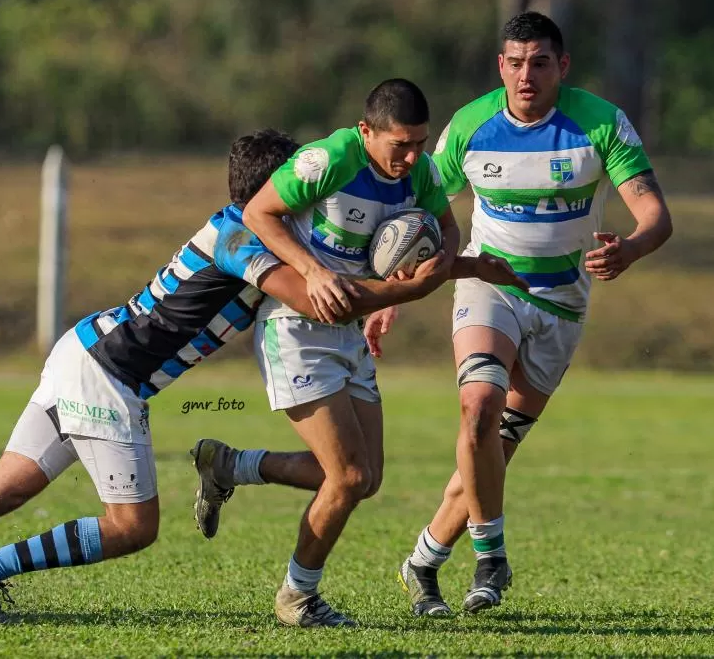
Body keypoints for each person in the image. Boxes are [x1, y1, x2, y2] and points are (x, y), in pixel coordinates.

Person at [0, 129, 457, 625]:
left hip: (88, 354)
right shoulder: (242, 240)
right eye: (297, 187)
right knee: (132, 526)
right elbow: (317, 300)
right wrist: (415, 283)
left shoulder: (255, 233)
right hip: (108, 376)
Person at [365, 12, 673, 616]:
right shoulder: (472, 127)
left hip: (562, 302)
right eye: (513, 61)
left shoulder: (601, 122)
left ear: (562, 66)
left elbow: (655, 216)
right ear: (499, 65)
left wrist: (630, 248)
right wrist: (389, 291)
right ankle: (492, 558)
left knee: (489, 454)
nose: (524, 74)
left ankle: (423, 562)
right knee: (477, 408)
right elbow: (417, 209)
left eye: (538, 62)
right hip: (490, 285)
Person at [191, 78, 528, 629]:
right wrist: (312, 270)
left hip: (347, 333)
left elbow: (447, 229)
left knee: (365, 478)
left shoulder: (417, 172)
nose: (415, 156)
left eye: (420, 142)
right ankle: (297, 598)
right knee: (346, 477)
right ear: (367, 131)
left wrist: (453, 262)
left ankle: (230, 465)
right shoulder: (329, 160)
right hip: (296, 331)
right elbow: (258, 214)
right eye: (401, 144)